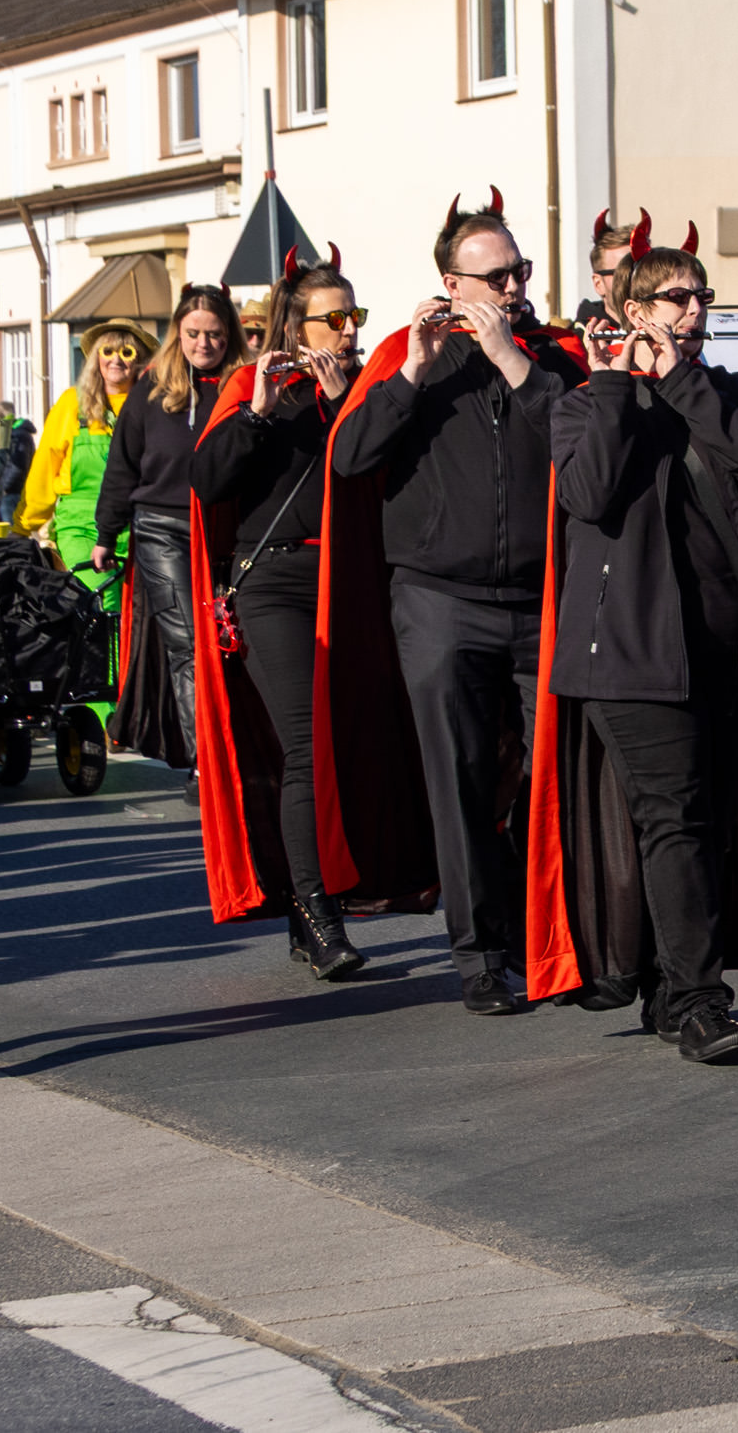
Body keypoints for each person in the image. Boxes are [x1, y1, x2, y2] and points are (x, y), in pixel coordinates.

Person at [327, 201, 587, 1012]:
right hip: (440, 599)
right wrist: (411, 373)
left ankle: (557, 943)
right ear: (452, 283)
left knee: (556, 775)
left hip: (541, 599)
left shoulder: (551, 357)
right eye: (496, 276)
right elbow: (349, 457)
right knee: (462, 780)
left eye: (520, 272)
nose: (512, 287)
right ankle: (480, 956)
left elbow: (583, 441)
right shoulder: (405, 357)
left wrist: (512, 360)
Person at [526, 237, 738, 1062]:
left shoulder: (721, 391)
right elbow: (589, 493)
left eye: (702, 296)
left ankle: (670, 986)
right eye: (676, 297)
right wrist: (613, 385)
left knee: (711, 823)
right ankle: (701, 1002)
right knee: (674, 819)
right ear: (632, 311)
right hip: (629, 650)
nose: (694, 310)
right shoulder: (583, 404)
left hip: (729, 646)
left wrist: (680, 380)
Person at [187, 258, 434, 977]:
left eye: (355, 316)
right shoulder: (253, 386)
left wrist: (346, 400)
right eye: (336, 318)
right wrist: (258, 413)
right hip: (273, 584)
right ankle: (317, 909)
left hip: (352, 582)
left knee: (358, 742)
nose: (349, 330)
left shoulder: (368, 388)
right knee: (306, 743)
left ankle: (327, 899)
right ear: (297, 326)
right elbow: (207, 481)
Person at [98, 288, 236, 766]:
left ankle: (239, 753)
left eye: (214, 334)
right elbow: (123, 464)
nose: (203, 344)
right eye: (193, 333)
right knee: (189, 644)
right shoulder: (151, 389)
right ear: (179, 332)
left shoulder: (243, 384)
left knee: (230, 643)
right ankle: (206, 763)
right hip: (162, 528)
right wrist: (106, 533)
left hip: (224, 530)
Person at [21, 323, 150, 613]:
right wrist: (24, 525)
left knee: (137, 616)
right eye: (108, 351)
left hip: (138, 528)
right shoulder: (72, 403)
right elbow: (45, 464)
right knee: (100, 600)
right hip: (81, 526)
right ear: (96, 358)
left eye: (126, 352)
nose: (116, 359)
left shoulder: (151, 405)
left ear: (140, 360)